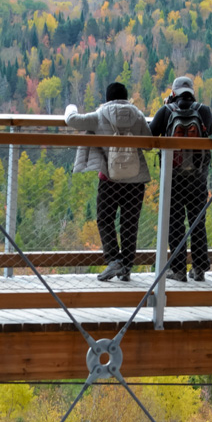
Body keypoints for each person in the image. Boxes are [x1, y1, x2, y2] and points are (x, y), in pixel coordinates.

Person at [64, 83, 152, 283]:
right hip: (135, 180)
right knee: (130, 224)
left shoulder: (99, 115)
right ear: (125, 97)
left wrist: (71, 106)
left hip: (109, 179)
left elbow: (72, 120)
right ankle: (126, 266)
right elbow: (148, 144)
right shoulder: (137, 116)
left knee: (105, 219)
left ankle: (113, 259)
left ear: (108, 97)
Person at [149, 75, 212, 283]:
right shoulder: (203, 111)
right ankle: (199, 268)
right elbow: (211, 131)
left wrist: (166, 106)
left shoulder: (167, 111)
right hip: (197, 177)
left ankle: (178, 269)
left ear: (174, 92)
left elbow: (151, 134)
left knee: (175, 222)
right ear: (192, 91)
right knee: (198, 221)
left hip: (173, 177)